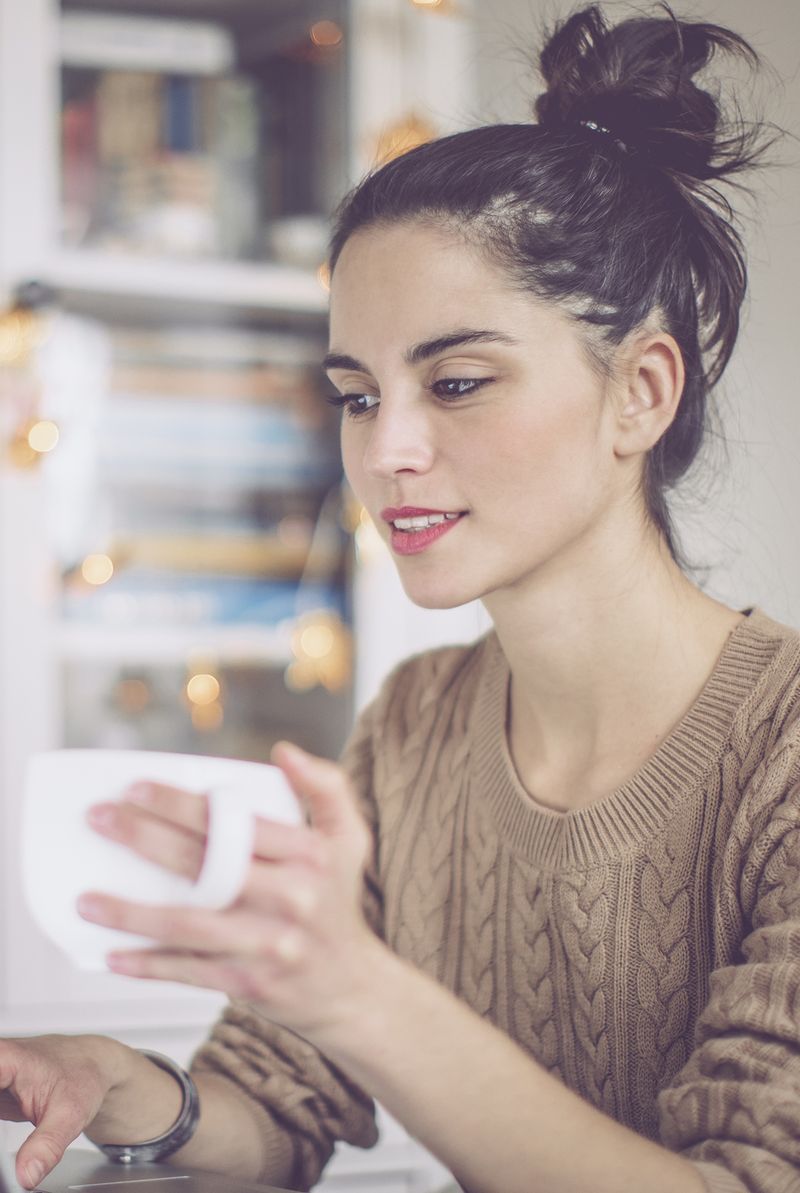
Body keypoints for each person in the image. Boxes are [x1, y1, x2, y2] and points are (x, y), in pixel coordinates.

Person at [3, 4, 799, 1192]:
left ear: (638, 392)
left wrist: (356, 987)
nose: (386, 454)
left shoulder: (779, 751)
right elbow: (277, 1103)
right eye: (358, 395)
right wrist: (127, 1087)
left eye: (458, 380)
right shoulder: (417, 722)